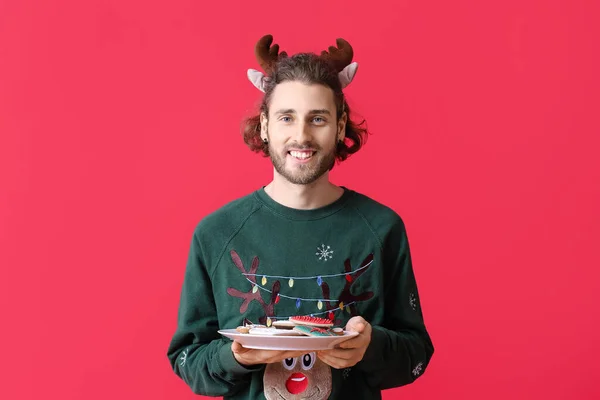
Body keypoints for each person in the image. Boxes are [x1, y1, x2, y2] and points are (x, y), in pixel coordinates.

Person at [166, 34, 434, 400]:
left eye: (318, 119)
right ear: (264, 126)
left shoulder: (381, 228)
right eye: (286, 117)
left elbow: (416, 355)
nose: (301, 135)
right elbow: (187, 359)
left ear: (340, 127)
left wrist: (370, 346)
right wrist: (236, 358)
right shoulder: (217, 233)